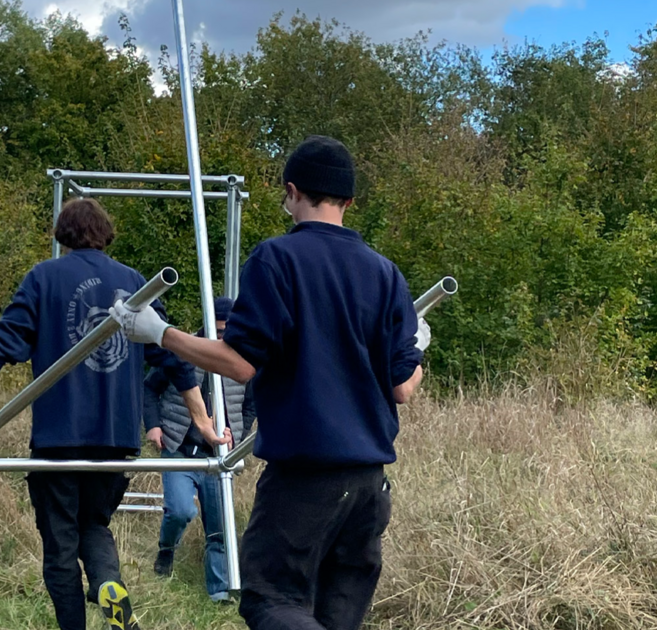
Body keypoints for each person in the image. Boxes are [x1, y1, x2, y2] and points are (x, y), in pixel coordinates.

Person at [110, 135, 431, 630]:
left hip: (306, 477)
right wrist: (418, 346)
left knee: (270, 600)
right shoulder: (386, 274)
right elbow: (404, 387)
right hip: (369, 486)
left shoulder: (277, 259)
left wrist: (160, 333)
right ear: (349, 200)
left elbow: (240, 364)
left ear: (292, 190)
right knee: (334, 616)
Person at [0, 198, 225, 630]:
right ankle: (109, 582)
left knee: (60, 545)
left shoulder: (44, 278)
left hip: (58, 440)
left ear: (62, 234)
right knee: (94, 524)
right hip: (116, 440)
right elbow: (175, 359)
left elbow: (0, 346)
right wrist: (202, 420)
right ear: (106, 233)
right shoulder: (133, 282)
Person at [142, 296, 255, 603]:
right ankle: (167, 549)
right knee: (180, 511)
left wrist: (239, 434)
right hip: (180, 449)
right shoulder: (182, 353)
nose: (221, 337)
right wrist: (153, 426)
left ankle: (218, 591)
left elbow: (250, 405)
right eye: (216, 330)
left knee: (219, 528)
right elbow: (150, 389)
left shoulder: (243, 360)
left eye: (226, 331)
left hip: (219, 457)